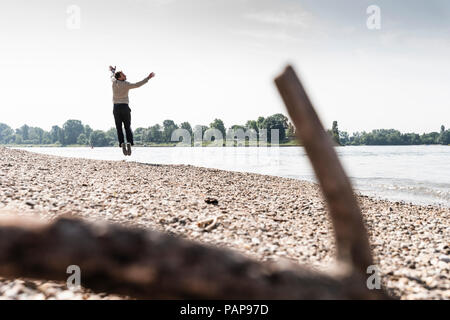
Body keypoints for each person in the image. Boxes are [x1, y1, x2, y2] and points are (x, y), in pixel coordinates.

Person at [109, 65, 155, 155]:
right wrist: (148, 78)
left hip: (116, 108)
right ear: (120, 77)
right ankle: (130, 142)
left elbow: (113, 77)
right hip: (125, 107)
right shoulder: (126, 84)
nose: (125, 75)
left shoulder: (114, 83)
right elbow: (137, 84)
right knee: (127, 126)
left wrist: (113, 71)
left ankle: (122, 143)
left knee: (119, 127)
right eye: (123, 74)